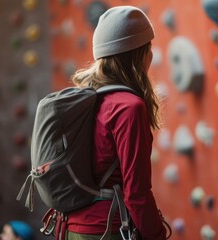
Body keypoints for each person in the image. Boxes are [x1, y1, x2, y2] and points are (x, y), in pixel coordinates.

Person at [66, 5, 167, 240]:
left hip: (72, 228)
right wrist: (157, 235)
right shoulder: (128, 108)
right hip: (107, 231)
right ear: (139, 54)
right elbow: (136, 194)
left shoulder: (86, 99)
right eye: (148, 47)